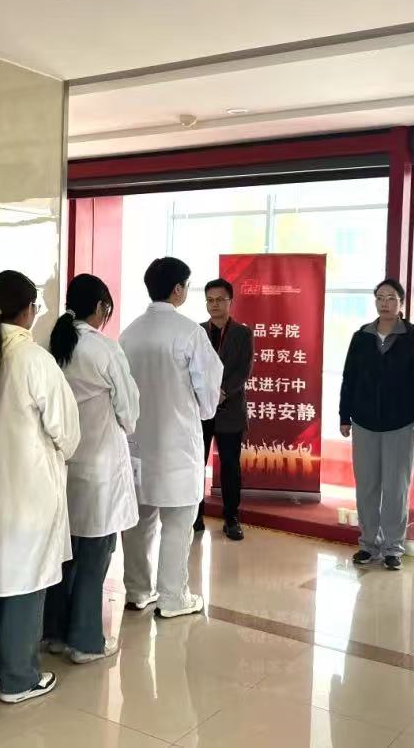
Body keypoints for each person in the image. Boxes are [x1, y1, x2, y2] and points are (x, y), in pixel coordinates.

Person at [0, 270, 80, 704]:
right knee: (26, 581)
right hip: (28, 491)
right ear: (29, 310)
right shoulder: (33, 359)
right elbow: (67, 432)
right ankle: (19, 677)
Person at [44, 274, 140, 663]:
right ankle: (85, 641)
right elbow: (129, 411)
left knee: (65, 553)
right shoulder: (103, 349)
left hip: (64, 464)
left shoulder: (54, 345)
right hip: (100, 466)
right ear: (101, 307)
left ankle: (54, 633)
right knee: (95, 555)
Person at [120, 257, 223, 617]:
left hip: (136, 442)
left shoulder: (129, 332)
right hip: (177, 443)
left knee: (138, 522)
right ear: (178, 289)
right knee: (178, 523)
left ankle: (137, 590)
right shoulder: (189, 332)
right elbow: (208, 390)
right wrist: (202, 409)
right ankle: (173, 597)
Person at [339, 278, 414, 572]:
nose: (384, 303)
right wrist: (344, 415)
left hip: (401, 425)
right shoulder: (361, 337)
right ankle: (368, 544)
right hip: (364, 422)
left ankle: (393, 547)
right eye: (380, 297)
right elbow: (349, 377)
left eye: (391, 297)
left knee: (396, 489)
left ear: (401, 303)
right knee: (367, 487)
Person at [195, 277, 255, 541]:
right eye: (210, 300)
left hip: (229, 409)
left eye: (220, 299)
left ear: (231, 301)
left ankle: (231, 518)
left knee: (230, 466)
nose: (214, 304)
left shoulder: (243, 333)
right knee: (196, 463)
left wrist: (222, 393)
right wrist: (205, 394)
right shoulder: (196, 332)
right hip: (200, 410)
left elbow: (243, 370)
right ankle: (195, 516)